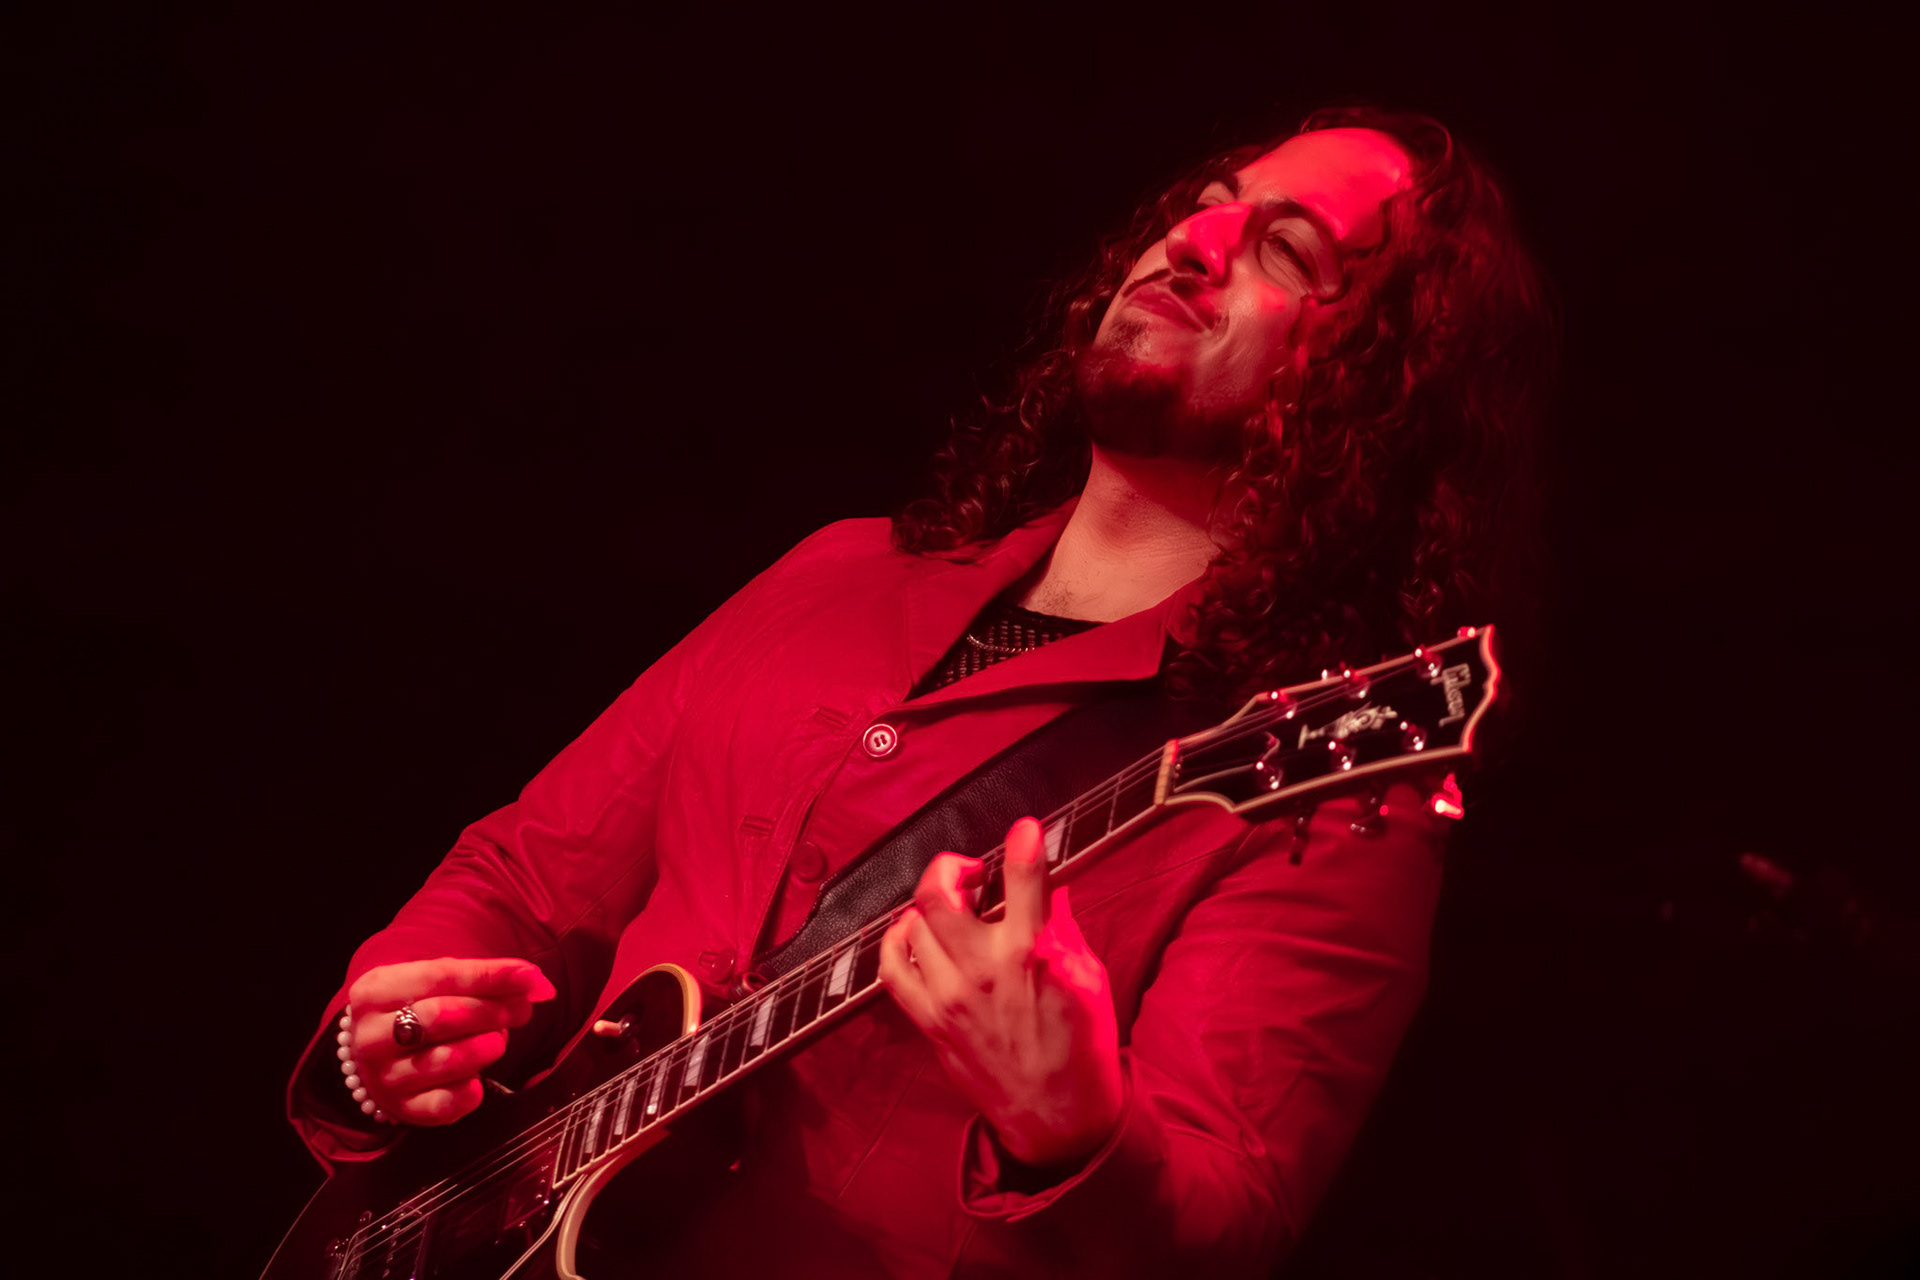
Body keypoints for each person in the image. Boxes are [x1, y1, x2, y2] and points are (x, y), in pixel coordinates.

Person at [286, 104, 1553, 1276]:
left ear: (1378, 386)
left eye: (1285, 250)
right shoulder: (837, 573)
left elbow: (1226, 1220)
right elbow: (523, 876)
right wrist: (379, 1040)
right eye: (1205, 205)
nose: (1194, 243)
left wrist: (1073, 1132)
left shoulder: (1321, 781)